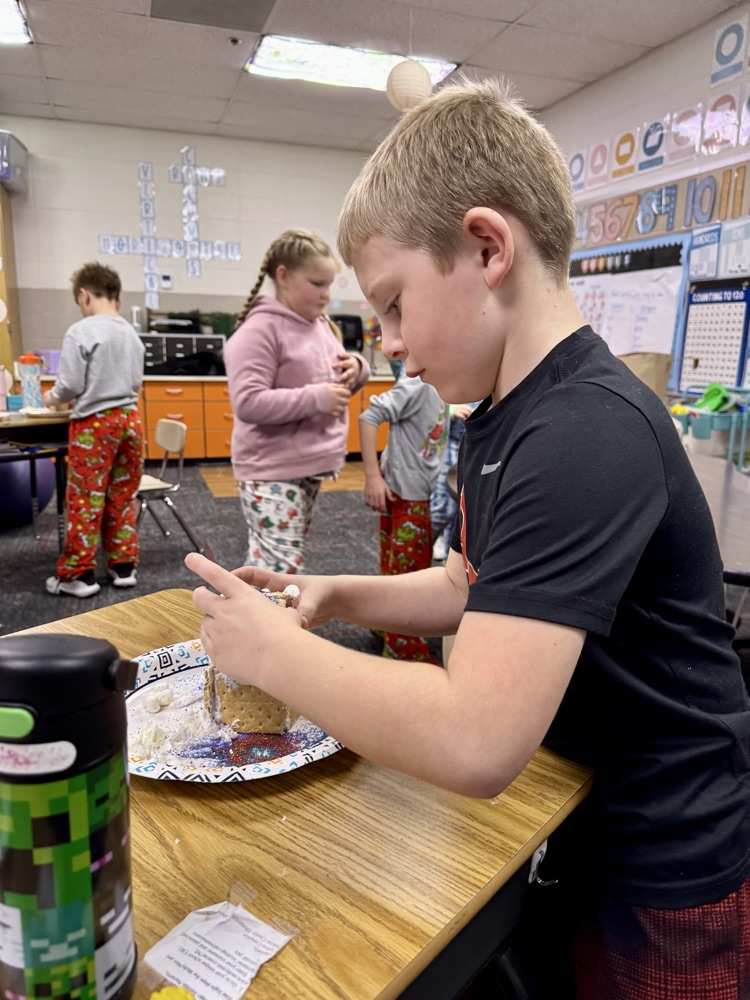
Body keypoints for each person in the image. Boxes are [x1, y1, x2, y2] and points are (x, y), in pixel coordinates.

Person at [185, 79, 750, 999]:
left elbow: (477, 739)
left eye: (398, 304)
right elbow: (470, 585)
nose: (393, 344)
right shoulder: (501, 409)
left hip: (662, 861)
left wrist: (275, 655)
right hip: (574, 811)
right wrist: (334, 593)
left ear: (488, 247)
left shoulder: (583, 431)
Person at [224, 230, 370, 574]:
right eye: (318, 283)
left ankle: (243, 621)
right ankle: (263, 627)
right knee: (281, 571)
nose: (326, 294)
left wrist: (358, 369)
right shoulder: (259, 330)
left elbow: (336, 376)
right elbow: (248, 402)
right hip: (271, 467)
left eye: (329, 284)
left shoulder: (319, 324)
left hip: (306, 464)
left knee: (269, 564)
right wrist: (316, 398)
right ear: (284, 276)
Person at [44, 261, 144, 598]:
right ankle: (123, 567)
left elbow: (69, 384)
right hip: (130, 421)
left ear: (84, 295)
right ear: (115, 296)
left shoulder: (81, 331)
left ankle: (79, 575)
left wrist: (51, 397)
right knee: (121, 496)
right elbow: (134, 382)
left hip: (95, 426)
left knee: (85, 499)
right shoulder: (131, 333)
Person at [359, 369, 448, 662]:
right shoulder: (419, 383)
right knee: (411, 576)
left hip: (412, 489)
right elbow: (369, 416)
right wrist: (372, 477)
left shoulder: (437, 383)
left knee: (396, 568)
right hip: (407, 494)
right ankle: (405, 651)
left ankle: (386, 626)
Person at [429, 401, 477, 562]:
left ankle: (450, 557)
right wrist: (451, 410)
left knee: (462, 512)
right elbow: (429, 406)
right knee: (441, 509)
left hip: (475, 451)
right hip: (449, 447)